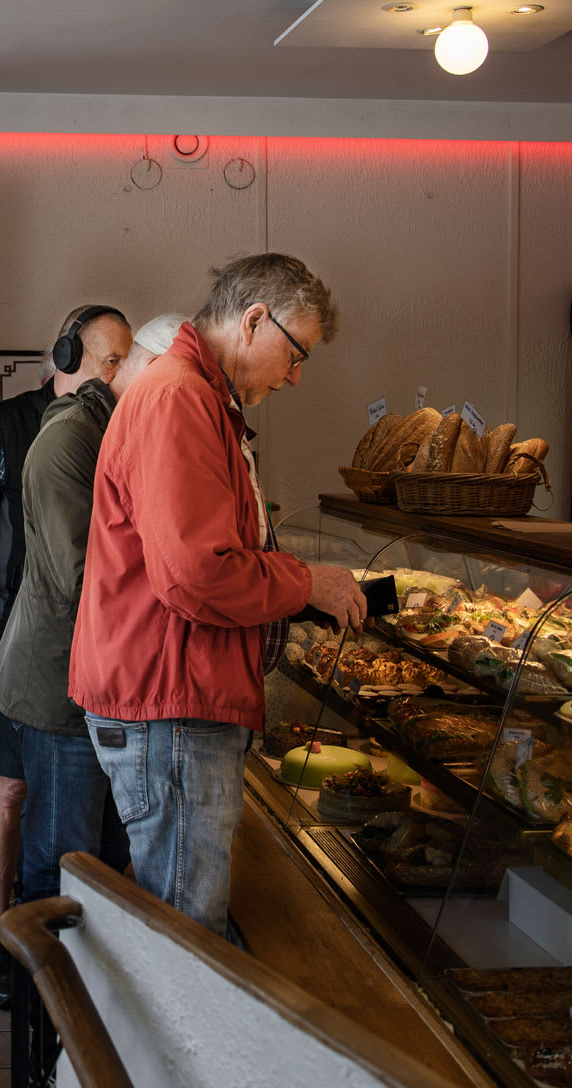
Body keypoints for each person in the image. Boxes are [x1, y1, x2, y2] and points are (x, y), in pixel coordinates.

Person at [69, 254, 368, 936]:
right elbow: (195, 575)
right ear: (254, 319)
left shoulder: (197, 395)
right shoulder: (180, 396)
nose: (294, 376)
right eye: (297, 355)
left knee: (181, 926)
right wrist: (307, 583)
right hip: (171, 706)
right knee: (187, 939)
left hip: (175, 697)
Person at [0, 304, 130, 1010]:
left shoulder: (111, 428)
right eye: (112, 359)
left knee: (72, 808)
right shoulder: (6, 424)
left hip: (83, 659)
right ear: (66, 352)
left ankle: (43, 940)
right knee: (9, 788)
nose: (122, 373)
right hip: (11, 640)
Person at [0, 313, 177, 922]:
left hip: (98, 679)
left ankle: (71, 1004)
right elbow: (81, 578)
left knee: (102, 853)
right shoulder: (71, 438)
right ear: (137, 373)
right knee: (60, 862)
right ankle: (41, 1006)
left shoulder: (112, 428)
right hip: (60, 687)